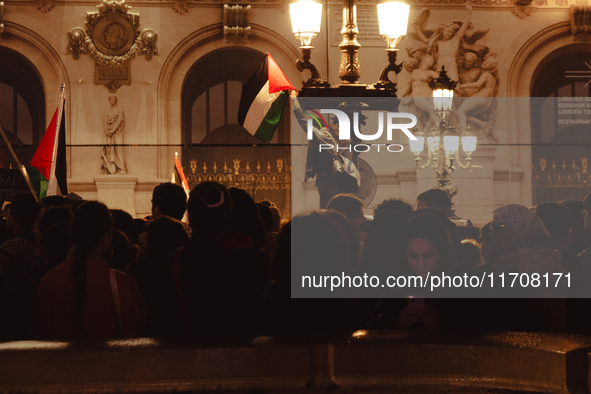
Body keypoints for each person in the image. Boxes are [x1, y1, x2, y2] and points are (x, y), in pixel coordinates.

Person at [31, 201, 145, 340]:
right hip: (110, 361)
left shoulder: (49, 282)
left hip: (58, 361)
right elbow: (138, 334)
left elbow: (36, 333)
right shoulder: (122, 284)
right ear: (107, 237)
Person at [427, 1, 472, 82]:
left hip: (451, 65)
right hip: (440, 66)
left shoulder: (455, 40)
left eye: (451, 32)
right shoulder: (438, 42)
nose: (449, 34)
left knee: (454, 84)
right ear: (443, 31)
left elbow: (464, 26)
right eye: (447, 32)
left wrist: (469, 12)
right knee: (437, 87)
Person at [102, 96, 127, 174]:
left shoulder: (120, 110)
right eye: (111, 99)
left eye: (114, 99)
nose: (112, 101)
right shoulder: (107, 111)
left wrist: (113, 130)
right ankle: (110, 169)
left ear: (116, 100)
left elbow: (119, 121)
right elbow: (105, 121)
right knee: (109, 150)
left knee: (119, 149)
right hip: (109, 132)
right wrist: (106, 130)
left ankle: (121, 168)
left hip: (117, 132)